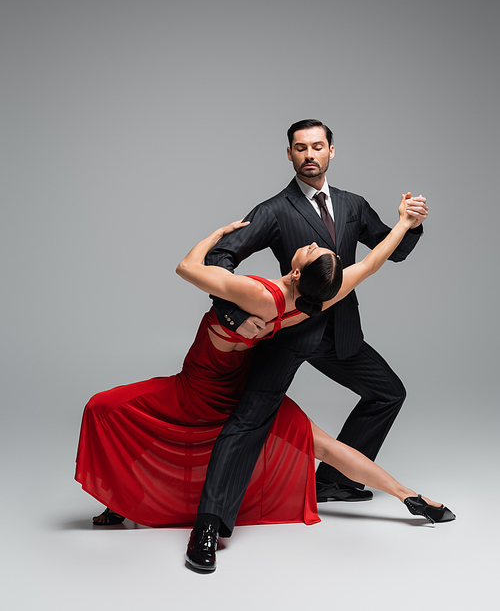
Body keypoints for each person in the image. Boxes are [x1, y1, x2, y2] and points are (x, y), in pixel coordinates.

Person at [75, 197, 454, 575]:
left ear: (294, 273)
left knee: (102, 408)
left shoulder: (259, 294)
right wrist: (403, 223)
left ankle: (130, 503)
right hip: (244, 389)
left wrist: (216, 235)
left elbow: (186, 267)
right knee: (326, 446)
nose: (310, 244)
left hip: (199, 389)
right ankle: (413, 498)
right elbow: (371, 264)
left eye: (311, 250)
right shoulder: (316, 301)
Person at [187, 119, 430, 569]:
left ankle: (334, 482)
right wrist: (242, 315)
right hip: (287, 334)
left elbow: (388, 250)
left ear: (332, 151)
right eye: (300, 148)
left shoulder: (353, 204)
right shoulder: (274, 210)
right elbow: (221, 258)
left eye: (318, 146)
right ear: (290, 155)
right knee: (247, 423)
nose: (310, 154)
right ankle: (208, 526)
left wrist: (410, 224)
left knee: (388, 392)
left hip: (341, 334)